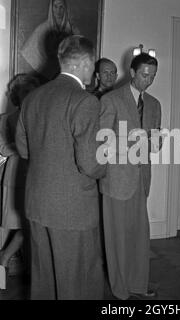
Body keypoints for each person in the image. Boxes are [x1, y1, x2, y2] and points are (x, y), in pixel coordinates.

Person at [15, 35, 106, 300]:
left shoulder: (33, 97)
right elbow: (90, 164)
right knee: (78, 282)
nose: (93, 71)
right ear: (84, 64)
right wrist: (106, 163)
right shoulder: (85, 101)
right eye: (92, 64)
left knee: (44, 281)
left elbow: (23, 149)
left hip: (37, 204)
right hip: (72, 209)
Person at [99, 53, 161, 300]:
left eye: (153, 76)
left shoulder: (155, 104)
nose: (149, 80)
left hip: (141, 178)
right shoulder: (111, 99)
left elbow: (155, 142)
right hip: (116, 179)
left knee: (139, 235)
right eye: (145, 75)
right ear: (132, 72)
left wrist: (157, 141)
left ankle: (138, 283)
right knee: (117, 238)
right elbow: (101, 142)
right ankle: (120, 289)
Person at [0, 74, 39, 287]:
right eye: (24, 93)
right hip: (13, 178)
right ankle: (1, 277)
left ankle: (5, 259)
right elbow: (2, 147)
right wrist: (26, 148)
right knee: (7, 228)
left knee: (29, 228)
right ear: (16, 96)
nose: (29, 97)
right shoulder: (6, 118)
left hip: (34, 178)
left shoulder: (40, 118)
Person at [21, 0, 79, 80]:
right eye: (55, 7)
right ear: (51, 8)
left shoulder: (73, 30)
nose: (58, 11)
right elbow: (27, 52)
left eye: (61, 7)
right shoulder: (42, 29)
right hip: (47, 77)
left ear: (65, 8)